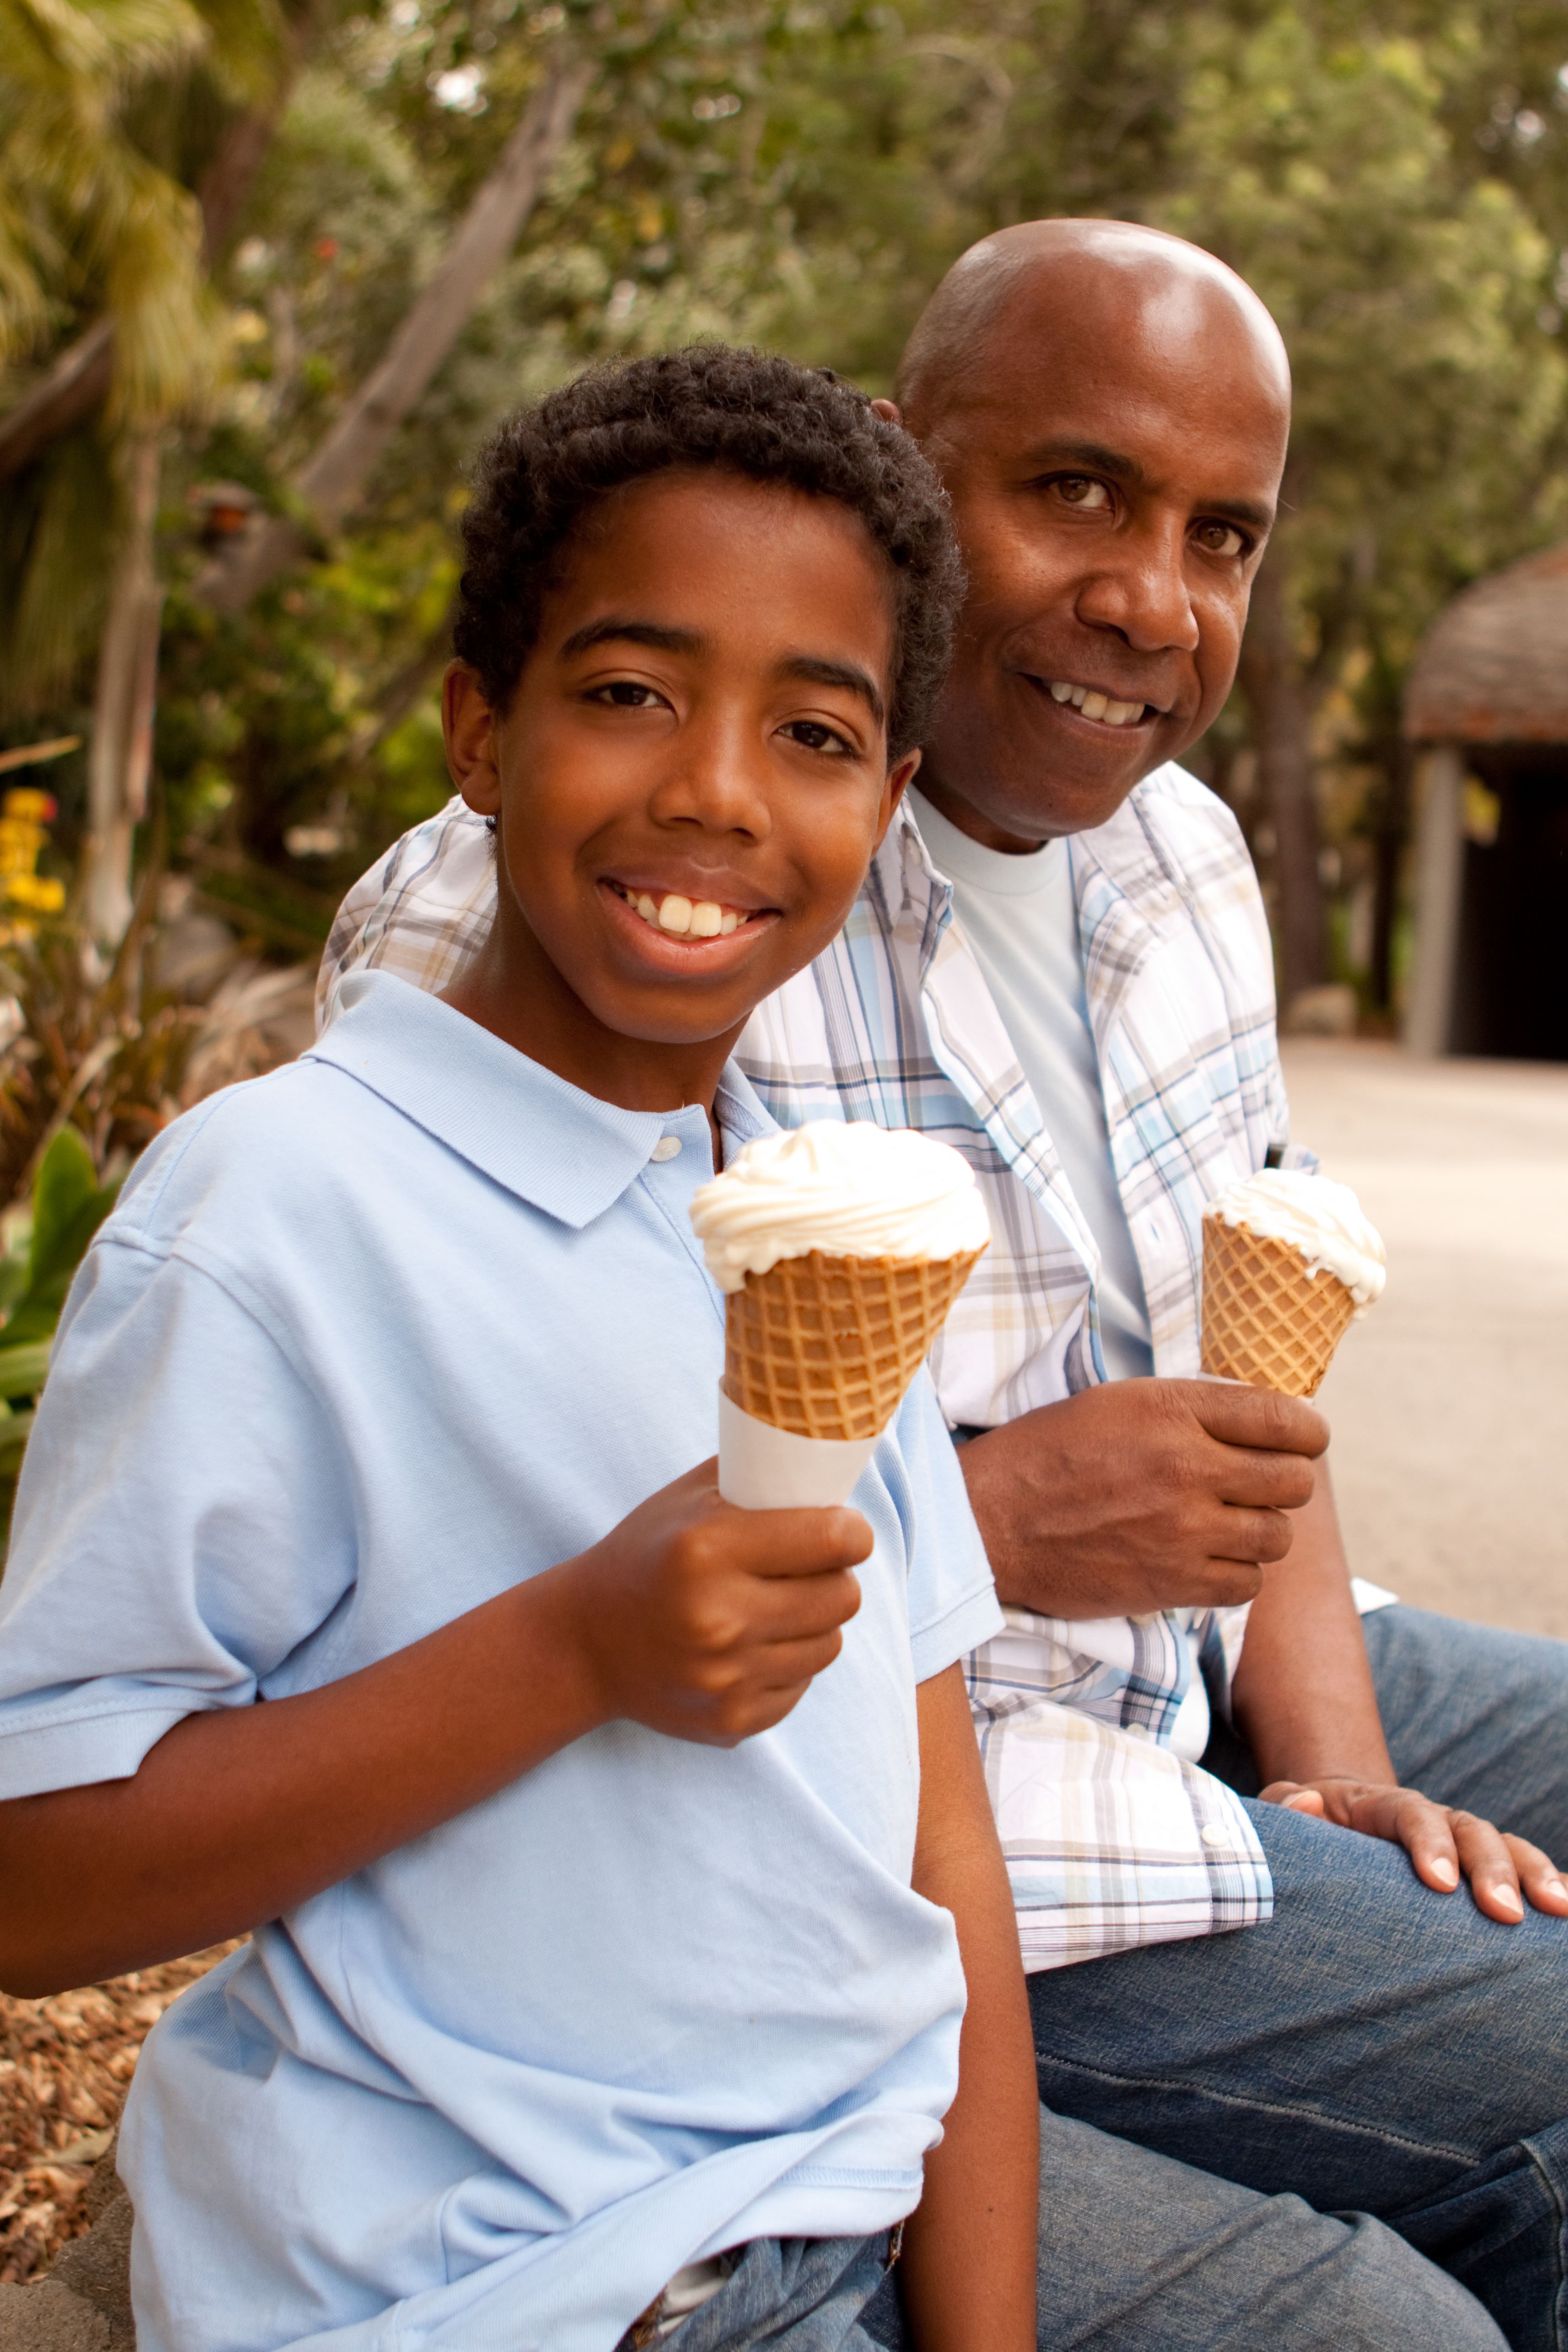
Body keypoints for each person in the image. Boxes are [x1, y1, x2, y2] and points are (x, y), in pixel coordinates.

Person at [322, 226, 1568, 2350]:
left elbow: (1267, 1348)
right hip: (917, 1807)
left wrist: (1332, 1754)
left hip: (1198, 1672)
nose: (1152, 601)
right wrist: (979, 1521)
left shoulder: (1180, 858)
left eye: (1222, 535)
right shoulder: (595, 908)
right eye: (1074, 491)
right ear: (906, 474)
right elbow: (518, 1628)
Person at [0, 350, 1040, 2352]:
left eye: (812, 729)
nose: (715, 791)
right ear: (481, 728)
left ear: (888, 800)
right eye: (631, 693)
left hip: (859, 2183)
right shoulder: (276, 1208)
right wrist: (578, 1648)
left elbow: (946, 1858)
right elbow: (36, 1882)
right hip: (536, 2276)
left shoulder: (824, 1231)